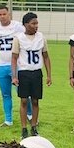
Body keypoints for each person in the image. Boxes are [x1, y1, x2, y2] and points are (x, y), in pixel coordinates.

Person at [0, 4, 32, 127]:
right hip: (2, 65)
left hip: (17, 65)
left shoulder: (18, 26)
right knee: (6, 94)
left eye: (4, 14)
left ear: (9, 14)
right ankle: (8, 120)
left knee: (23, 93)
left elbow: (28, 38)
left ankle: (30, 114)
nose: (2, 17)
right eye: (0, 15)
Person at [12, 12, 52, 140]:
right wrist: (14, 75)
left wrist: (49, 75)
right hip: (24, 72)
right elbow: (14, 58)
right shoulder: (18, 38)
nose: (36, 26)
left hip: (36, 72)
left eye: (37, 23)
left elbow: (46, 57)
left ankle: (34, 126)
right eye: (33, 23)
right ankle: (24, 128)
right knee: (24, 100)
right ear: (26, 24)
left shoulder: (41, 37)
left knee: (35, 100)